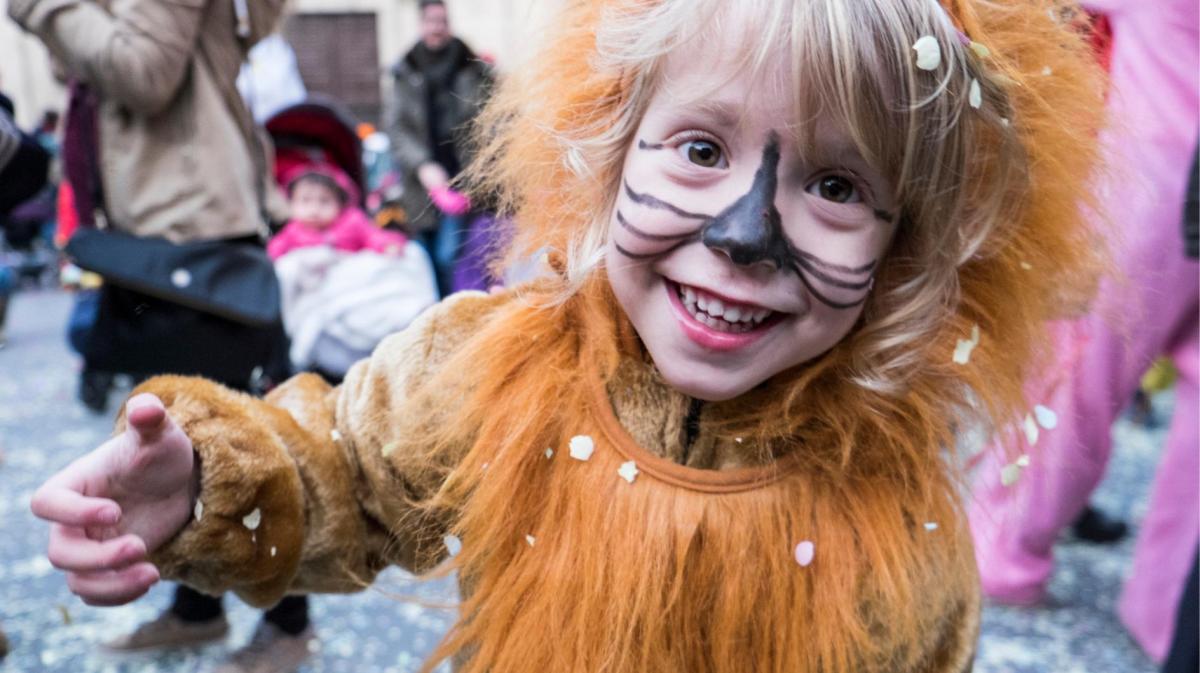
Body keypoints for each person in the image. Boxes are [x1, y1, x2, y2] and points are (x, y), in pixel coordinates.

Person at [27, 1, 1109, 671]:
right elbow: (347, 474)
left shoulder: (894, 516)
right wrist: (210, 480)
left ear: (908, 243)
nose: (743, 235)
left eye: (835, 183)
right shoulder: (499, 367)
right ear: (607, 145)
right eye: (697, 147)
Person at [7, 1, 317, 671]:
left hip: (191, 236)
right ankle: (197, 609)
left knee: (237, 445)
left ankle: (288, 622)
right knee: (169, 447)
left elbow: (143, 71)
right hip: (153, 236)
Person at [967, 0, 1199, 663]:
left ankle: (1009, 551)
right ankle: (1166, 607)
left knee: (1081, 378)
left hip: (1151, 185)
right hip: (1167, 179)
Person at [386, 0, 492, 296]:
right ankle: (435, 313)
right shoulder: (404, 69)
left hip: (461, 179)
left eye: (442, 21)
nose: (437, 28)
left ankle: (450, 310)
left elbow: (489, 118)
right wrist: (422, 166)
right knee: (427, 254)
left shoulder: (474, 68)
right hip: (420, 183)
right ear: (421, 25)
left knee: (450, 256)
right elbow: (397, 128)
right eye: (431, 21)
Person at [267, 166, 408, 260]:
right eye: (305, 201)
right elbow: (274, 253)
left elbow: (373, 236)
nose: (314, 209)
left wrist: (388, 245)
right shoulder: (292, 231)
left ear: (340, 203)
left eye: (324, 201)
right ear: (291, 203)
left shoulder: (352, 220)